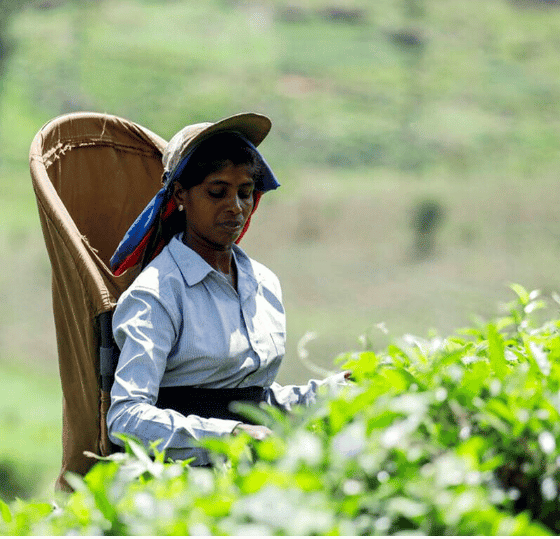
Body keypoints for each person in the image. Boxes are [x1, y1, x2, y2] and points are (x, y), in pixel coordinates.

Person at [107, 112, 350, 465]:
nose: (234, 207)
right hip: (184, 480)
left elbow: (255, 402)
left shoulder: (262, 283)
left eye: (245, 193)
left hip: (255, 470)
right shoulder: (157, 294)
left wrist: (331, 391)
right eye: (217, 192)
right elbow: (126, 418)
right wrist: (227, 435)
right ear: (181, 195)